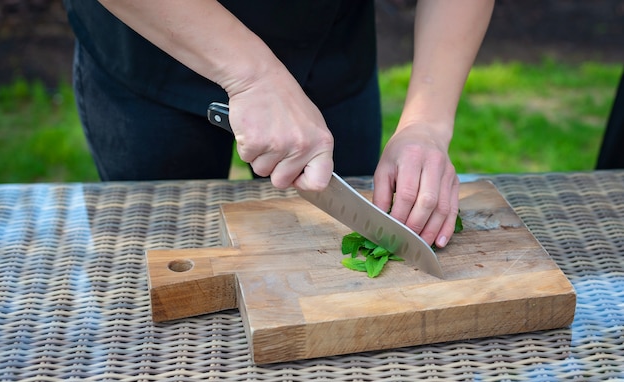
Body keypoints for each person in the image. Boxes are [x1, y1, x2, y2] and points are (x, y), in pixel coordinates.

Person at [63, 0, 494, 248]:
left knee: (326, 254)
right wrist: (253, 76)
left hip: (327, 48)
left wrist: (426, 122)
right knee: (155, 260)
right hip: (151, 44)